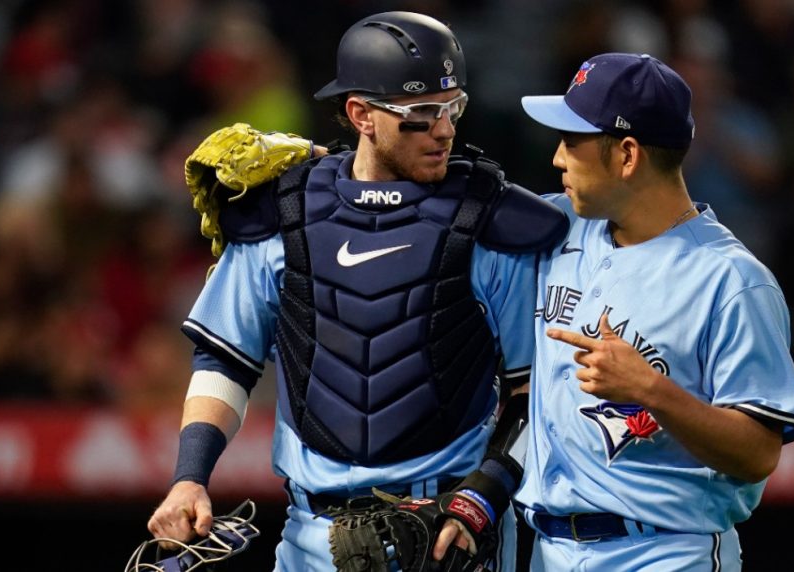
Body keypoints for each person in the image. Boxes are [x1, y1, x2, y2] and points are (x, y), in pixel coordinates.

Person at [144, 12, 566, 571]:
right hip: (311, 536)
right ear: (360, 113)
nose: (443, 130)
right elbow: (224, 361)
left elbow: (533, 393)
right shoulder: (284, 214)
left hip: (449, 533)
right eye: (420, 114)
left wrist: (481, 497)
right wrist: (189, 478)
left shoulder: (486, 222)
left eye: (453, 108)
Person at [514, 53, 794, 570]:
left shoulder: (731, 280)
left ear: (627, 155)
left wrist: (650, 388)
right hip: (548, 549)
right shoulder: (557, 226)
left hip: (663, 551)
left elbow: (759, 453)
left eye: (573, 141)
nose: (558, 158)